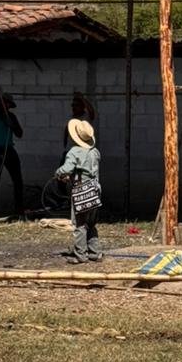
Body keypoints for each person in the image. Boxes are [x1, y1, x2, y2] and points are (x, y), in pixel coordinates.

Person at [57, 118, 103, 264]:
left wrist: (58, 173)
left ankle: (80, 254)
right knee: (91, 223)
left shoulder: (74, 151)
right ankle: (95, 252)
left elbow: (67, 169)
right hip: (95, 189)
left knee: (79, 224)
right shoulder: (95, 152)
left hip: (81, 190)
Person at [0, 80, 24, 220]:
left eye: (6, 103)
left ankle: (19, 209)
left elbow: (20, 133)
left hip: (9, 150)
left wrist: (12, 125)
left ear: (9, 105)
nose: (4, 105)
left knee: (18, 180)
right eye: (3, 102)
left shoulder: (12, 117)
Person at [62, 90, 96, 159]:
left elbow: (91, 111)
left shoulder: (86, 117)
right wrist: (66, 147)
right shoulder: (71, 117)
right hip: (70, 152)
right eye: (73, 105)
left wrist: (82, 98)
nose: (74, 107)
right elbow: (66, 132)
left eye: (76, 105)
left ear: (82, 107)